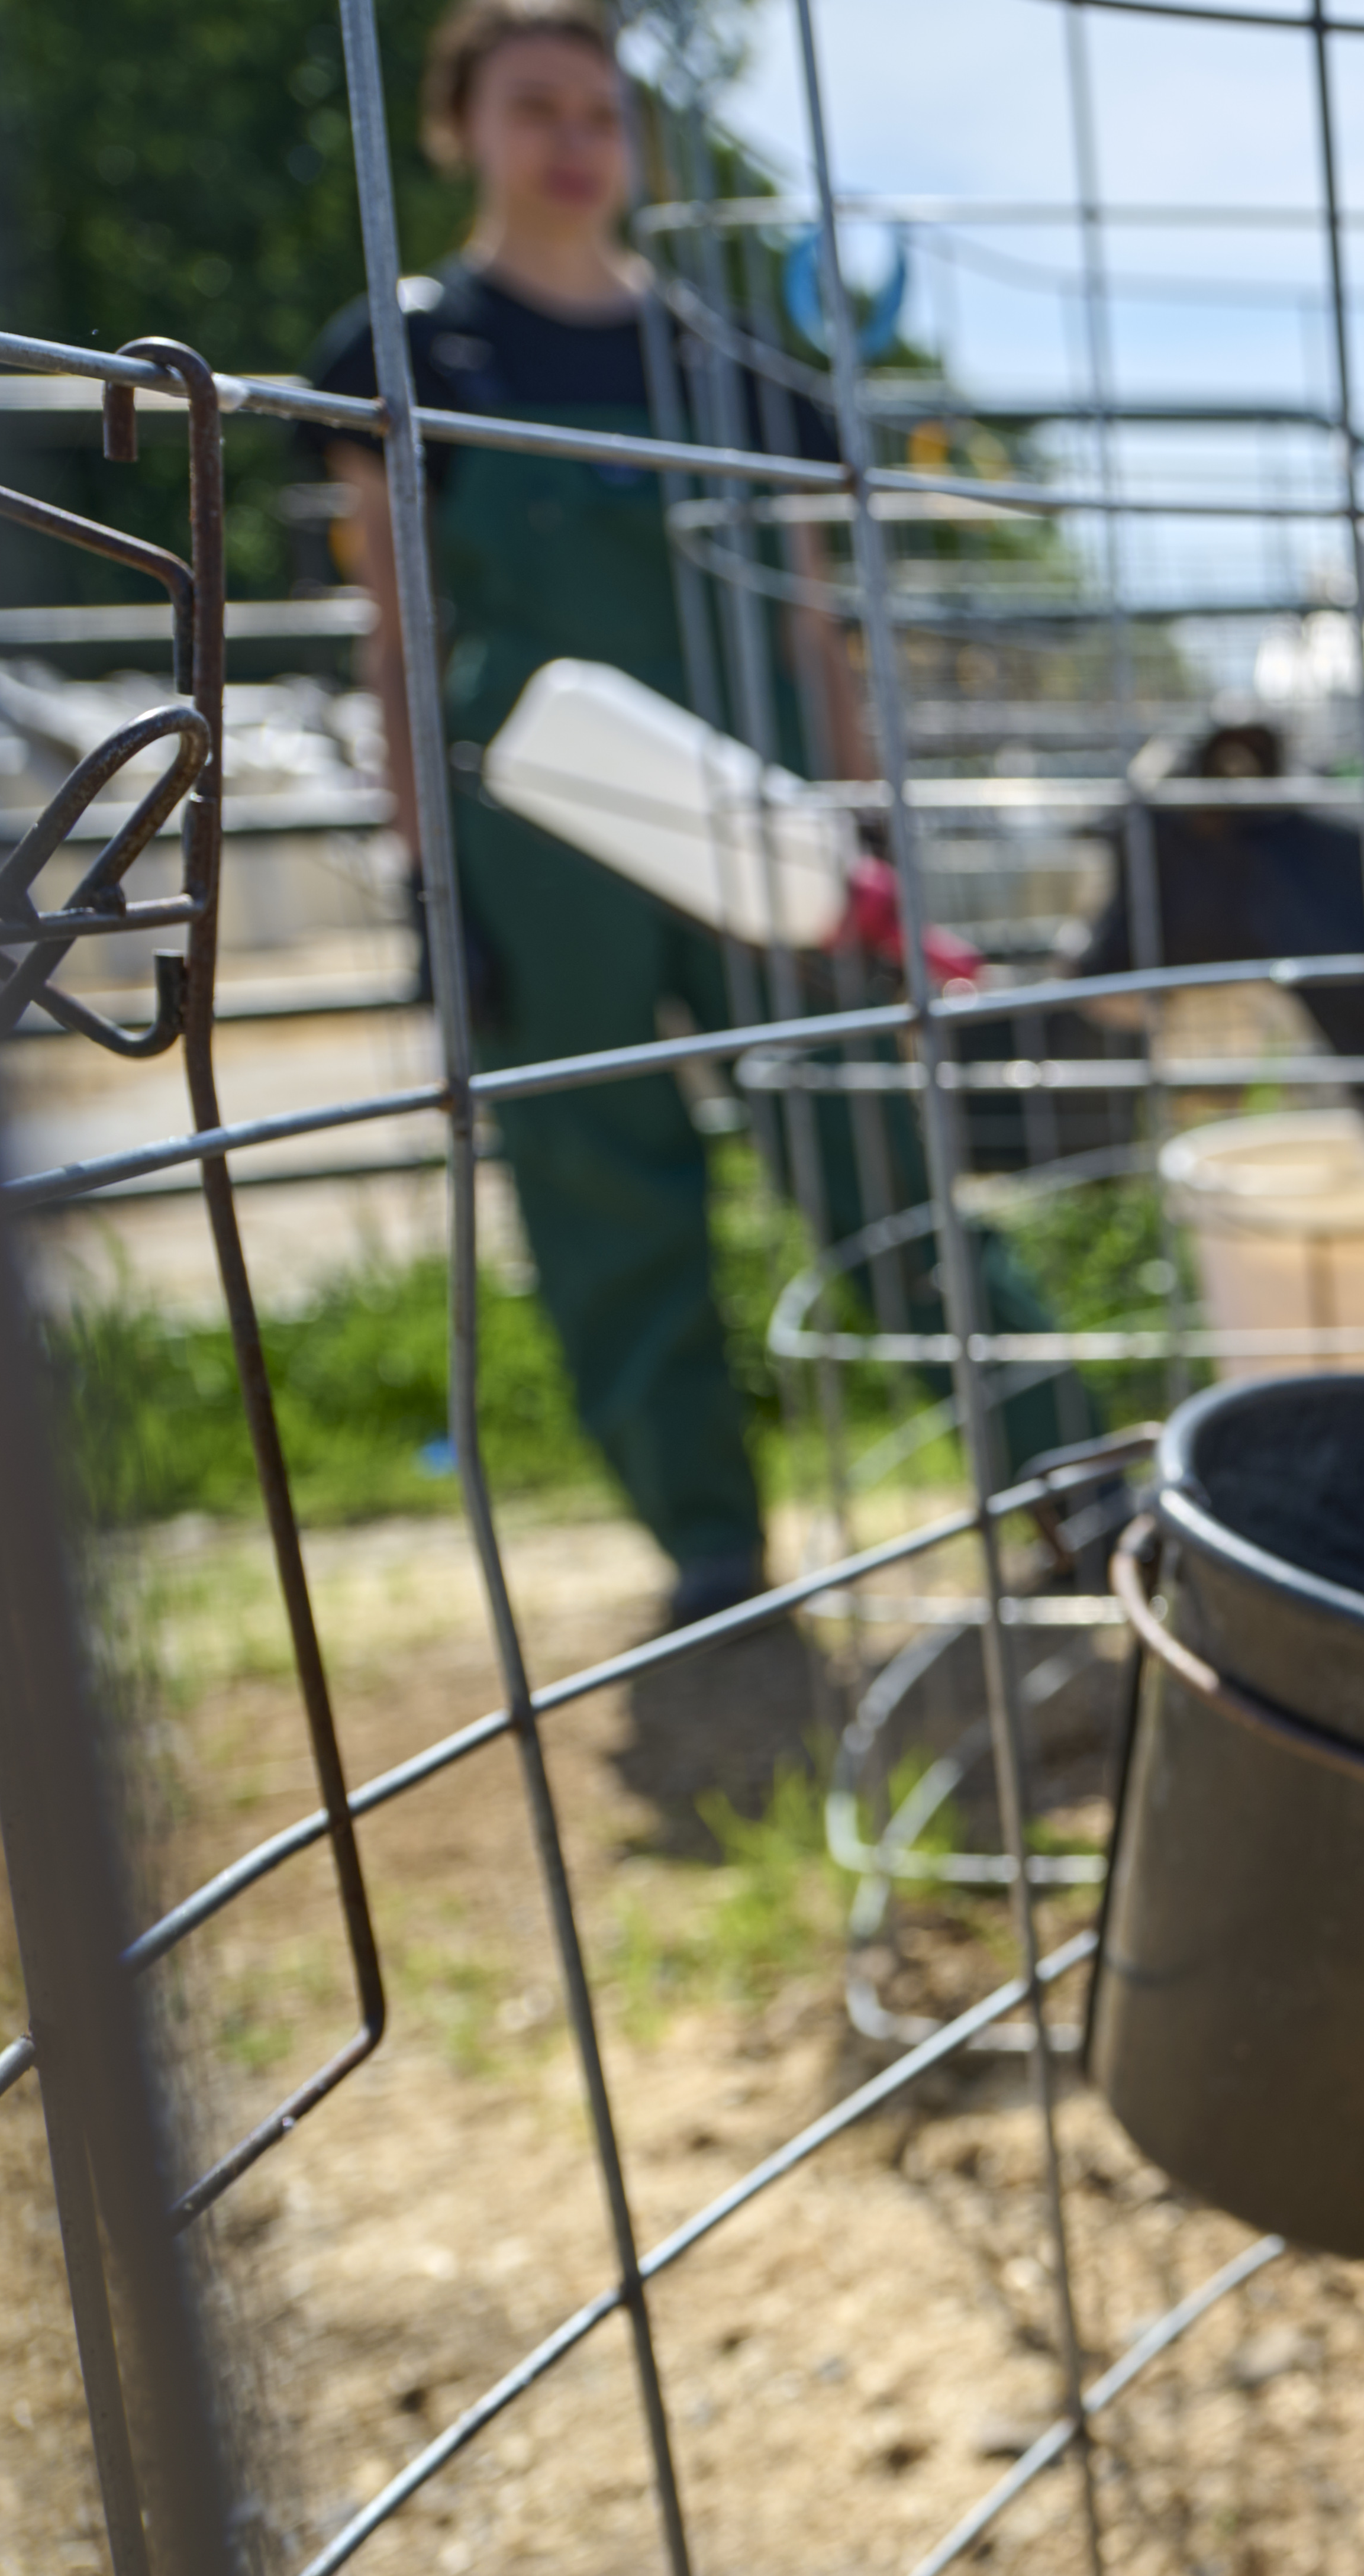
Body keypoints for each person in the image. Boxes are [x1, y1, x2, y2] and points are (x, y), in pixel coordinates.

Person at [313, 0, 1089, 1630]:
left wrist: (861, 831)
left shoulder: (734, 374)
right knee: (603, 1190)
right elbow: (394, 638)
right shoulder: (409, 358)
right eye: (537, 107)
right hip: (536, 843)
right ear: (462, 129)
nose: (574, 141)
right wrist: (426, 870)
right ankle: (712, 1554)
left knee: (873, 1156)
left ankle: (1070, 1487)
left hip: (761, 831)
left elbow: (812, 635)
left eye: (600, 109)